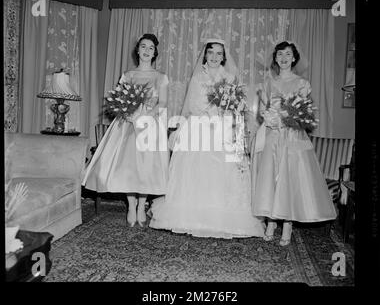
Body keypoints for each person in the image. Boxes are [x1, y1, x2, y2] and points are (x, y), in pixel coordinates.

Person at [149, 38, 264, 239]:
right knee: (196, 171)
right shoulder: (196, 78)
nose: (214, 57)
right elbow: (190, 106)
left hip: (222, 128)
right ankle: (191, 216)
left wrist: (227, 119)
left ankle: (222, 217)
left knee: (222, 172)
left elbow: (235, 106)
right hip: (198, 128)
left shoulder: (229, 78)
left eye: (219, 53)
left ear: (224, 57)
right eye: (211, 52)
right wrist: (194, 120)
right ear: (205, 54)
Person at [250, 41, 337, 246]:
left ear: (294, 58)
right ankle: (271, 221)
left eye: (288, 54)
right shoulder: (269, 83)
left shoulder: (302, 84)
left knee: (289, 179)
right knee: (271, 178)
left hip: (292, 137)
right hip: (273, 136)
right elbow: (264, 111)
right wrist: (267, 116)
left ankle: (287, 223)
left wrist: (288, 118)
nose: (283, 58)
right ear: (275, 58)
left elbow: (305, 114)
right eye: (280, 54)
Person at [82, 34, 169, 228]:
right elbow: (119, 100)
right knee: (128, 167)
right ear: (137, 50)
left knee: (145, 167)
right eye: (143, 47)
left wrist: (145, 117)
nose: (146, 51)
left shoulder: (160, 77)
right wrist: (128, 114)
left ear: (155, 53)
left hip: (148, 126)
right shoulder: (127, 75)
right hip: (127, 125)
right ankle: (131, 205)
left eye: (151, 48)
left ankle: (141, 205)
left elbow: (162, 103)